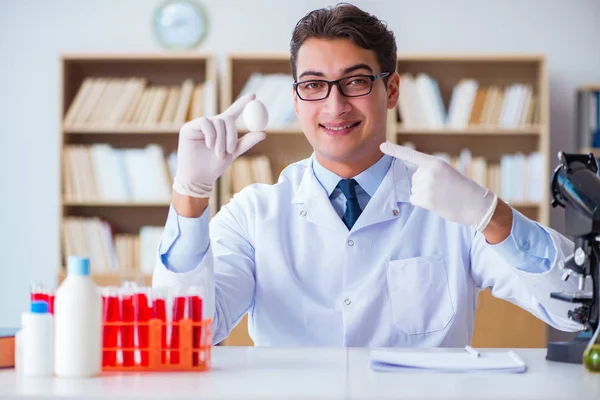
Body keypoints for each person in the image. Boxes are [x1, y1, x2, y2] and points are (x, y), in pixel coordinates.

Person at [153, 3, 582, 346]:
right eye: (314, 85)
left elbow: (574, 308)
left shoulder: (454, 205)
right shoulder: (254, 213)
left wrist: (493, 217)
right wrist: (190, 197)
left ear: (391, 90)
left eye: (355, 81)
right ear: (297, 98)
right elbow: (183, 335)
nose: (334, 106)